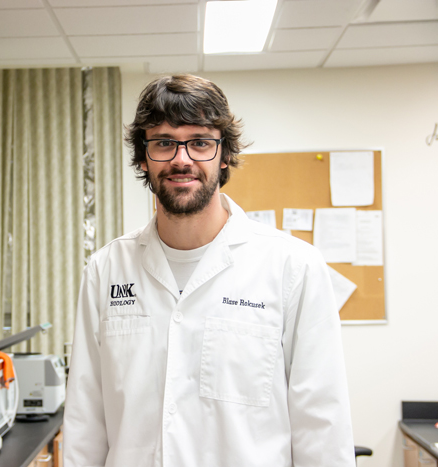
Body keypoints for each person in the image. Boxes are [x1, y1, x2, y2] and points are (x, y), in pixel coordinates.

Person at [63, 74, 355, 467]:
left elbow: (322, 426)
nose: (181, 159)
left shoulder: (293, 267)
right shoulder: (106, 271)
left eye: (200, 142)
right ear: (143, 157)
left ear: (225, 154)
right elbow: (85, 423)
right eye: (164, 142)